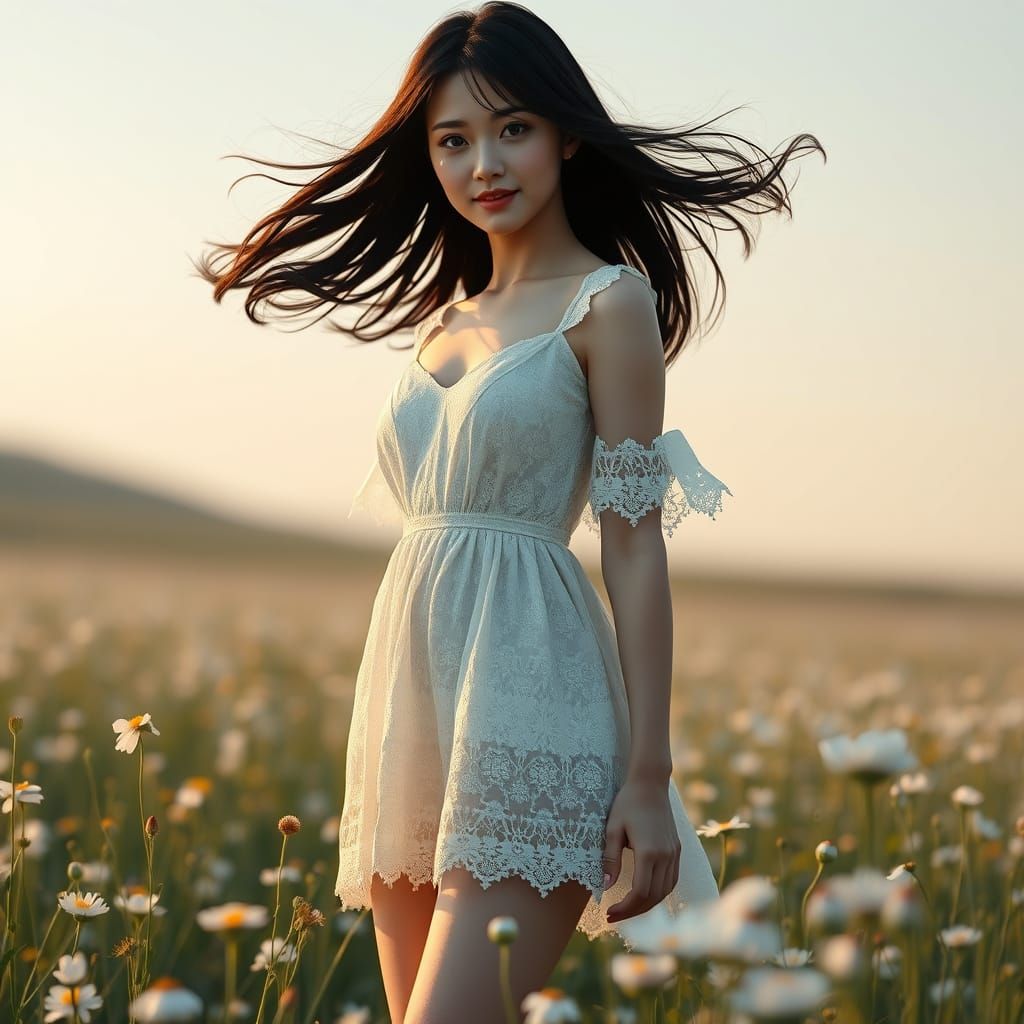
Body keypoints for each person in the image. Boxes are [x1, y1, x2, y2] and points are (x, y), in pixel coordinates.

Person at [194, 4, 824, 1020]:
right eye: (452, 140)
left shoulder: (607, 306)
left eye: (512, 129)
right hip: (410, 708)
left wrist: (649, 781)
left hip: (535, 709)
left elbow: (633, 551)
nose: (483, 161)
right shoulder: (441, 319)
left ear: (567, 134)